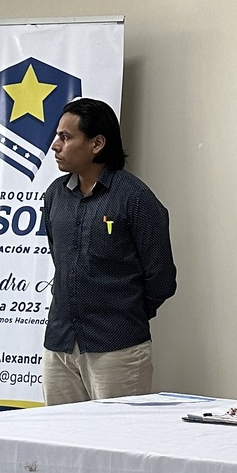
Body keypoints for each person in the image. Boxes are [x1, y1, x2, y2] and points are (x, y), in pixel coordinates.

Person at [41, 97, 176, 403]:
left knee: (117, 432)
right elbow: (61, 261)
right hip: (60, 345)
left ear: (97, 144)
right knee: (59, 431)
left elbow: (162, 278)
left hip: (117, 349)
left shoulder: (135, 198)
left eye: (66, 137)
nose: (55, 146)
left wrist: (121, 314)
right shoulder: (54, 196)